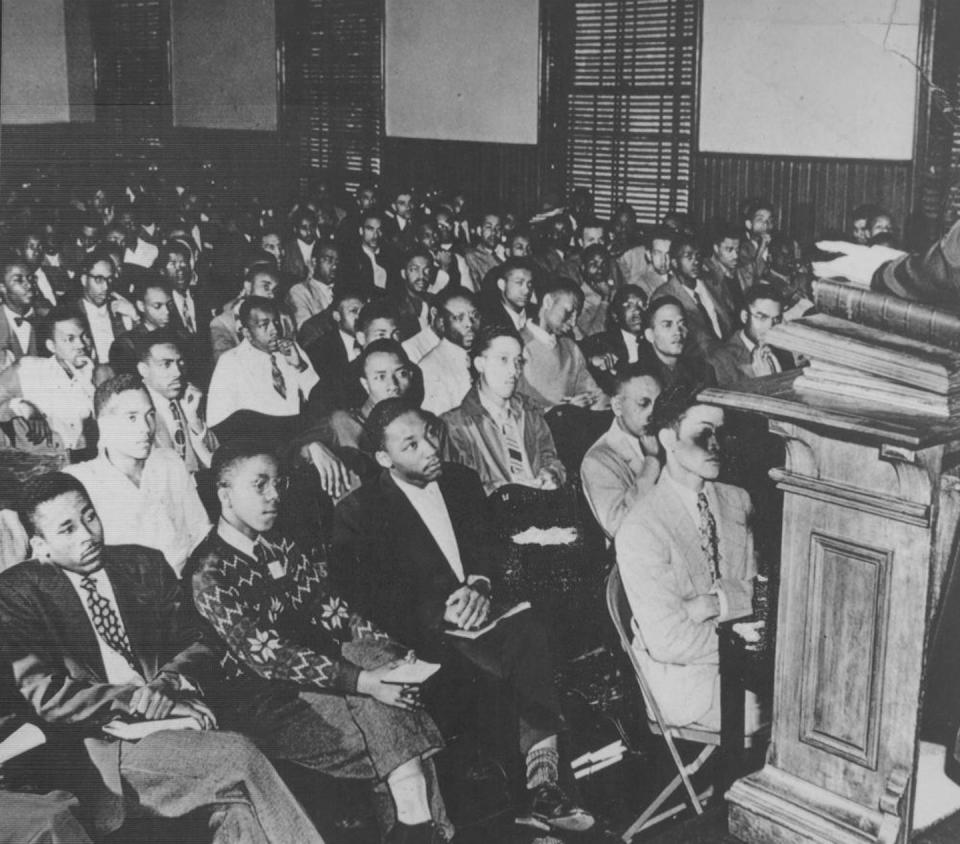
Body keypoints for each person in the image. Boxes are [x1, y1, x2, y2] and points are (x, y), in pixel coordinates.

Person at [0, 472, 324, 842]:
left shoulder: (143, 564)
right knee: (240, 756)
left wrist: (168, 685)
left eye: (89, 516)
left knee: (236, 810)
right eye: (67, 529)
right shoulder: (16, 595)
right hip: (105, 744)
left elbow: (201, 642)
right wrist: (142, 701)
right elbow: (49, 697)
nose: (87, 535)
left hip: (178, 723)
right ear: (40, 546)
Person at [332, 400, 594, 833]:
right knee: (504, 668)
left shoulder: (461, 481)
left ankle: (542, 784)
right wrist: (441, 612)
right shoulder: (359, 513)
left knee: (531, 632)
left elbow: (488, 548)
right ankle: (537, 796)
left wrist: (480, 585)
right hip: (427, 638)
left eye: (429, 435)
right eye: (411, 445)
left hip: (486, 615)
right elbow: (373, 600)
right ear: (384, 458)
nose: (430, 449)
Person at [186, 442, 450, 844]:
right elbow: (268, 656)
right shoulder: (208, 573)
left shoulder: (281, 543)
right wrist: (366, 680)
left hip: (327, 682)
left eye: (278, 483)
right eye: (260, 485)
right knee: (391, 713)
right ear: (224, 494)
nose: (275, 495)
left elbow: (334, 611)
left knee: (388, 692)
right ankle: (426, 827)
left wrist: (393, 654)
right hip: (266, 705)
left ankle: (415, 826)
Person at [615, 384, 759, 730]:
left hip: (742, 663)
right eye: (703, 433)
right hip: (686, 682)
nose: (716, 445)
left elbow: (758, 594)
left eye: (720, 433)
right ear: (668, 439)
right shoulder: (641, 526)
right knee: (795, 709)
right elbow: (668, 641)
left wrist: (712, 603)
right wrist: (743, 630)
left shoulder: (738, 500)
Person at [66, 374, 210, 576]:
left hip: (185, 582)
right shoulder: (81, 481)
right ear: (104, 424)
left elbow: (200, 530)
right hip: (130, 597)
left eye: (150, 415)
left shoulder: (169, 462)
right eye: (132, 417)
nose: (146, 428)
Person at [443, 325, 565, 496]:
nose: (514, 371)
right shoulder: (455, 425)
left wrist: (551, 474)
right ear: (480, 364)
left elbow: (552, 459)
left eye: (518, 361)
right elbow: (463, 491)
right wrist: (509, 491)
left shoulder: (529, 411)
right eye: (503, 359)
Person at [207, 296, 319, 432]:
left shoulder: (292, 349)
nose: (275, 330)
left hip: (300, 433)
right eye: (264, 325)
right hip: (261, 441)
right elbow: (217, 421)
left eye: (276, 322)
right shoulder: (230, 362)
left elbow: (319, 399)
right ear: (247, 332)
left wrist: (300, 366)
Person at [0, 307, 99, 453]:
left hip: (82, 463)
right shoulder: (28, 369)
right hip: (38, 467)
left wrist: (89, 384)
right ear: (51, 346)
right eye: (70, 339)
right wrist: (25, 407)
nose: (81, 345)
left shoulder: (99, 375)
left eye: (85, 336)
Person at [581, 365, 662, 539]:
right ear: (617, 405)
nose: (654, 413)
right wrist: (651, 462)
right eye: (644, 403)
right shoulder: (597, 460)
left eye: (659, 403)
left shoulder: (666, 439)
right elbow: (620, 527)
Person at [137, 331, 218, 477]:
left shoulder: (190, 399)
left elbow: (218, 459)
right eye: (166, 364)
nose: (178, 372)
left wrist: (194, 420)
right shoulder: (135, 410)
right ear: (144, 370)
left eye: (180, 363)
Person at [519, 277, 604, 411]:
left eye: (577, 315)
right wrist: (563, 411)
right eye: (569, 312)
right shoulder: (517, 345)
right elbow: (517, 407)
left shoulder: (570, 348)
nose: (574, 322)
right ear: (548, 302)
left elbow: (593, 394)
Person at [321, 339, 416, 457]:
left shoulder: (420, 423)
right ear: (365, 384)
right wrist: (313, 447)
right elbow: (299, 449)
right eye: (381, 377)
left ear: (410, 376)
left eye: (401, 374)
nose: (393, 385)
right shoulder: (344, 423)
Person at [651, 235, 735, 358]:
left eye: (698, 256)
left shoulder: (713, 284)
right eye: (688, 257)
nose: (695, 261)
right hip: (699, 361)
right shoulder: (664, 296)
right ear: (674, 262)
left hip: (729, 351)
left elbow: (730, 320)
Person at [710, 284, 790, 388]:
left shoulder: (784, 349)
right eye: (762, 317)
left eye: (776, 319)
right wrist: (764, 382)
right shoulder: (721, 360)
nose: (770, 326)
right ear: (745, 317)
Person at [209, 261, 290, 362]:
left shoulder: (283, 318)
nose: (272, 295)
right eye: (266, 287)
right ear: (248, 286)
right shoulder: (223, 324)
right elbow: (225, 366)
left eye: (275, 290)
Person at [419, 288, 480, 415]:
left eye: (474, 315)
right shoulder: (430, 367)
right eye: (459, 318)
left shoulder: (486, 354)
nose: (469, 323)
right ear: (442, 323)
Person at [71, 252, 138, 365]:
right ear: (84, 280)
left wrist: (135, 317)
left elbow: (144, 351)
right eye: (99, 279)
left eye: (109, 279)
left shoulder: (121, 309)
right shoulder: (71, 314)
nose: (106, 287)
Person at [638, 296, 716, 392]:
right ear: (650, 335)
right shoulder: (639, 379)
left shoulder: (703, 371)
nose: (678, 331)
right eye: (667, 325)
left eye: (681, 323)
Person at [581, 284, 647, 393]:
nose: (638, 311)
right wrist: (591, 360)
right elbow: (572, 355)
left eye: (642, 305)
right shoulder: (600, 342)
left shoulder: (655, 341)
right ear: (615, 315)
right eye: (629, 305)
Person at [287, 242, 338, 329]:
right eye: (329, 260)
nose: (335, 267)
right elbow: (305, 330)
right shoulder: (300, 291)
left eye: (337, 261)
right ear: (314, 262)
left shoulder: (343, 289)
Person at [0, 253, 39, 368]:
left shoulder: (47, 319)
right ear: (2, 287)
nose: (29, 285)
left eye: (30, 278)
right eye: (18, 280)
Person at [481, 258, 536, 331]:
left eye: (529, 284)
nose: (526, 291)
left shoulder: (538, 314)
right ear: (502, 284)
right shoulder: (490, 320)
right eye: (519, 282)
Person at [703, 224, 745, 316]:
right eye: (729, 250)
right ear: (716, 248)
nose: (735, 256)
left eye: (737, 250)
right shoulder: (706, 273)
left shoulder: (740, 269)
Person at [737, 199, 775, 291]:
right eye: (760, 220)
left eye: (770, 220)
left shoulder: (775, 246)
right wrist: (761, 249)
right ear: (749, 224)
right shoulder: (743, 249)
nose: (766, 224)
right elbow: (749, 280)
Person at [464, 212, 503, 290]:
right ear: (479, 231)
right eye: (489, 227)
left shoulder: (507, 252)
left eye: (498, 228)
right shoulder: (472, 256)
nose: (494, 232)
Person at [283, 208, 318, 283]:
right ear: (295, 229)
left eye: (312, 227)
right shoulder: (288, 250)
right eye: (304, 228)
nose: (309, 232)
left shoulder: (322, 247)